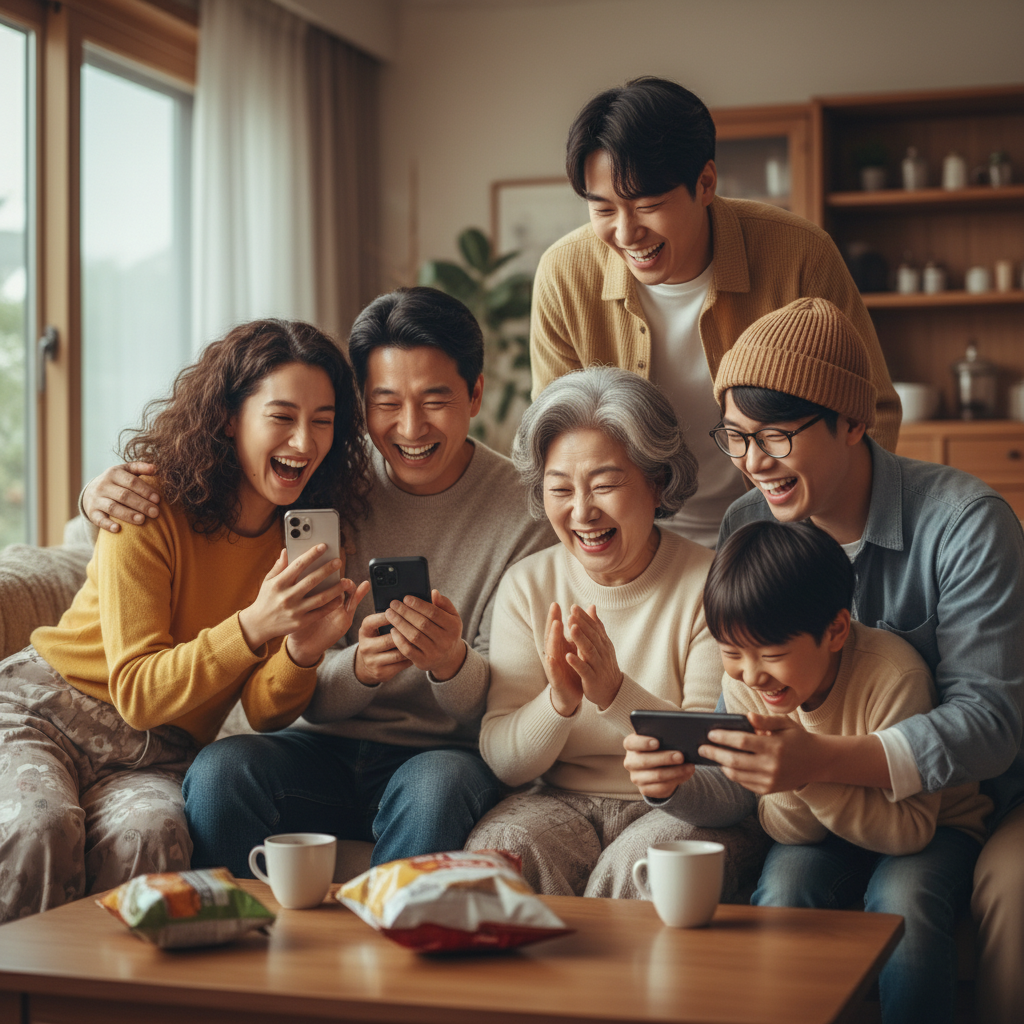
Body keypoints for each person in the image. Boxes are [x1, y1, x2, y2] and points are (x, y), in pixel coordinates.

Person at [624, 296, 1024, 1024]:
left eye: (774, 436)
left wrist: (818, 763)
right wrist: (673, 779)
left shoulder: (965, 524)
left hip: (965, 802)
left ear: (853, 422)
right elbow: (737, 729)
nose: (751, 464)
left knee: (905, 904)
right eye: (736, 437)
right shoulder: (750, 522)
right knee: (783, 894)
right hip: (820, 818)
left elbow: (992, 724)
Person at [81, 287, 555, 874]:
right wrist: (356, 668)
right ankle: (240, 946)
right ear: (362, 401)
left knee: (434, 787)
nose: (410, 428)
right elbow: (281, 671)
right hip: (319, 746)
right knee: (222, 771)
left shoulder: (528, 513)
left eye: (435, 400)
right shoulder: (326, 482)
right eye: (385, 402)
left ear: (475, 393)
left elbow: (509, 703)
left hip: (439, 754)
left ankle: (393, 953)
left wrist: (450, 662)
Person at [0, 319, 371, 922]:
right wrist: (253, 625)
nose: (304, 442)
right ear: (229, 419)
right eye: (282, 417)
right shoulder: (149, 504)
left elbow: (263, 710)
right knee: (40, 825)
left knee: (155, 834)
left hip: (160, 751)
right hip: (45, 711)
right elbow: (139, 692)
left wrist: (302, 650)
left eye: (323, 421)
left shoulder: (306, 537)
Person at [530, 76, 899, 546]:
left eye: (648, 205)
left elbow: (872, 409)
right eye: (603, 210)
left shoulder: (799, 253)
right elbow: (557, 437)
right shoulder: (565, 275)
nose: (626, 233)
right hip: (636, 545)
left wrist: (823, 539)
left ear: (705, 183)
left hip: (787, 534)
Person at [465, 367, 769, 899]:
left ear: (657, 481)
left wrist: (612, 692)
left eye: (604, 485)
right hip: (555, 799)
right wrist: (559, 701)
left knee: (637, 868)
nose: (582, 512)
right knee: (496, 858)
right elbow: (506, 762)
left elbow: (715, 765)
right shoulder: (527, 586)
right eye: (560, 489)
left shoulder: (711, 583)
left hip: (682, 806)